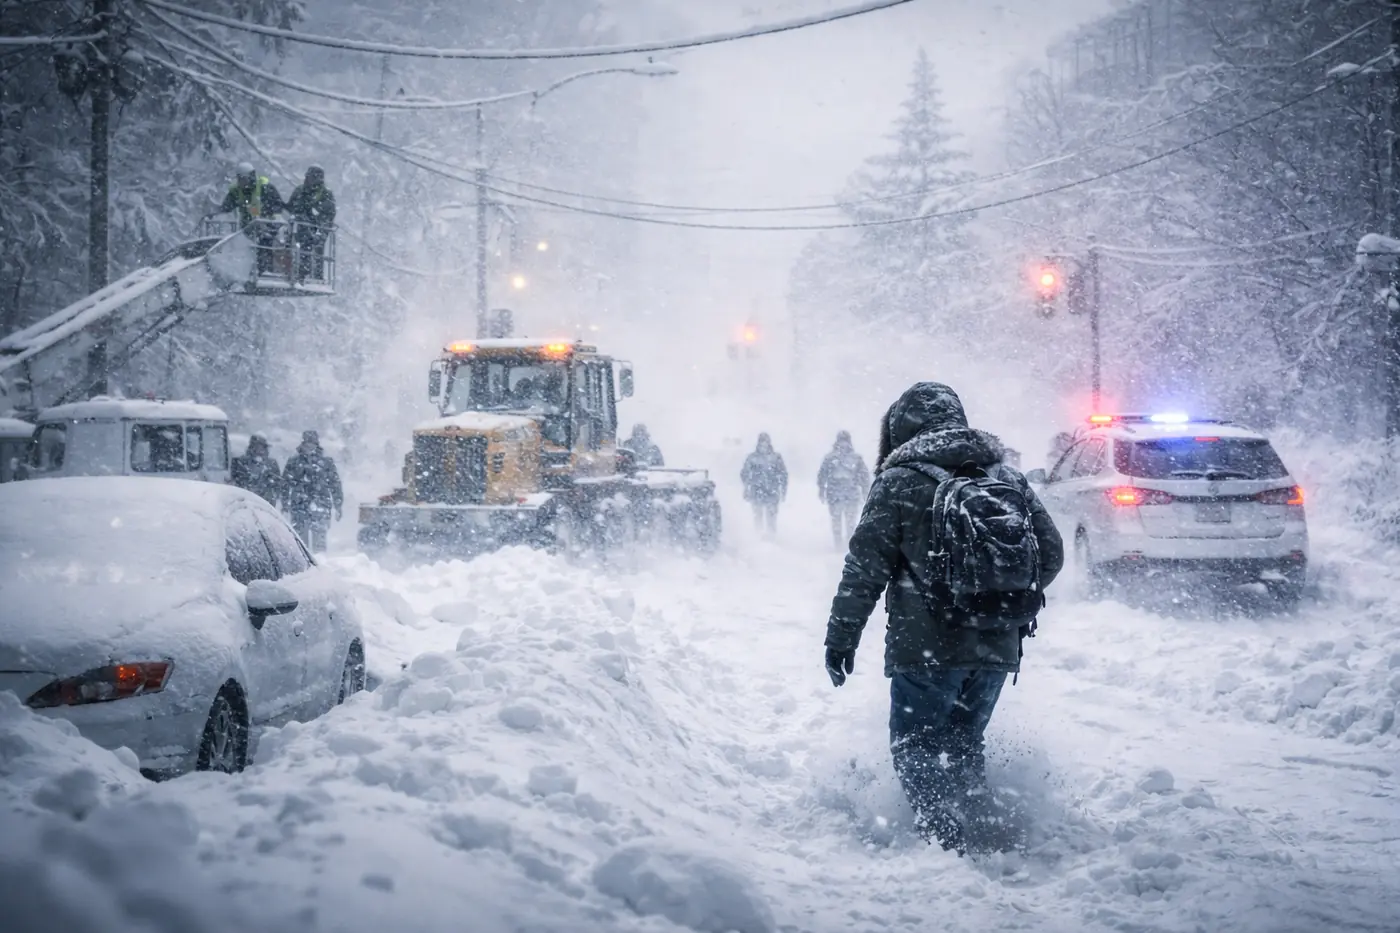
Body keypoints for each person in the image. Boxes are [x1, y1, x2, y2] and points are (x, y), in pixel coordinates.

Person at [822, 383, 1063, 853]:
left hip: (925, 646)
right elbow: (1049, 554)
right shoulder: (1007, 478)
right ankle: (985, 832)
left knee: (915, 747)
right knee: (965, 744)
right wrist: (997, 601)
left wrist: (842, 636)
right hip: (996, 646)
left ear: (902, 427)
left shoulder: (898, 482)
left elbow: (864, 569)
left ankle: (942, 840)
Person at [218, 162, 285, 273]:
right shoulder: (236, 191)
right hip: (247, 227)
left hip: (267, 226)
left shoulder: (265, 188)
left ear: (251, 177)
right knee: (241, 245)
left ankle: (264, 271)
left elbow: (277, 205)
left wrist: (270, 219)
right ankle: (242, 271)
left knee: (264, 243)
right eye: (239, 178)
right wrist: (214, 212)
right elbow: (226, 206)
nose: (241, 182)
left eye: (243, 178)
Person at [282, 430, 343, 553]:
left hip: (320, 505)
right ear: (303, 443)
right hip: (299, 506)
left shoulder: (326, 462)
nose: (309, 446)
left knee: (319, 544)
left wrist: (338, 505)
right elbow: (285, 484)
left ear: (317, 444)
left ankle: (319, 566)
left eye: (312, 443)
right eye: (307, 443)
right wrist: (285, 503)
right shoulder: (294, 461)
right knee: (300, 543)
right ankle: (304, 568)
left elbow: (335, 484)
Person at [816, 430, 871, 548]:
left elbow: (864, 476)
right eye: (841, 441)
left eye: (845, 441)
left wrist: (865, 492)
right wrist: (821, 489)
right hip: (834, 494)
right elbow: (822, 475)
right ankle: (838, 544)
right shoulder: (830, 458)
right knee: (836, 521)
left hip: (851, 495)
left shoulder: (856, 458)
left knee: (851, 522)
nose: (843, 444)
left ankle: (848, 544)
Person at [286, 165, 336, 281]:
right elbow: (290, 207)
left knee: (313, 249)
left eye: (310, 177)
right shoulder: (300, 191)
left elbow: (328, 216)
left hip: (314, 229)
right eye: (307, 177)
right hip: (297, 227)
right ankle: (289, 270)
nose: (307, 179)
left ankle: (310, 274)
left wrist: (321, 233)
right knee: (287, 243)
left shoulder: (325, 195)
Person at [740, 433, 788, 535]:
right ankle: (759, 535)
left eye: (765, 442)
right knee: (758, 515)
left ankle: (771, 536)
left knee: (771, 515)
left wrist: (783, 489)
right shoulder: (752, 458)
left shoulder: (776, 458)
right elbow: (745, 473)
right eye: (762, 443)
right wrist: (747, 487)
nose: (764, 446)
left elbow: (783, 474)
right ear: (758, 444)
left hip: (772, 491)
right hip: (757, 490)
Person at [231, 434, 282, 507]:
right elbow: (237, 481)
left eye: (262, 447)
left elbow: (278, 483)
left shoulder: (271, 463)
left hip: (266, 503)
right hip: (247, 501)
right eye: (257, 446)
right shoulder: (241, 462)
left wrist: (271, 494)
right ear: (252, 447)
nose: (260, 450)